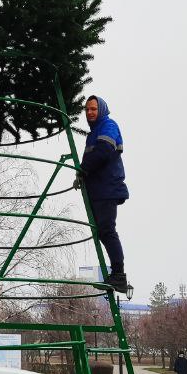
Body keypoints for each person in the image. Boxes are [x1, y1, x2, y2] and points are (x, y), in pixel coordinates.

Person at [76, 95, 129, 291]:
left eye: (93, 109)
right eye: (87, 109)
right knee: (102, 232)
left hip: (107, 188)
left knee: (107, 230)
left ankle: (119, 275)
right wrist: (83, 175)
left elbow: (104, 150)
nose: (90, 112)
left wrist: (84, 168)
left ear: (102, 110)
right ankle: (115, 274)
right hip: (98, 189)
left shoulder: (109, 125)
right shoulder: (93, 133)